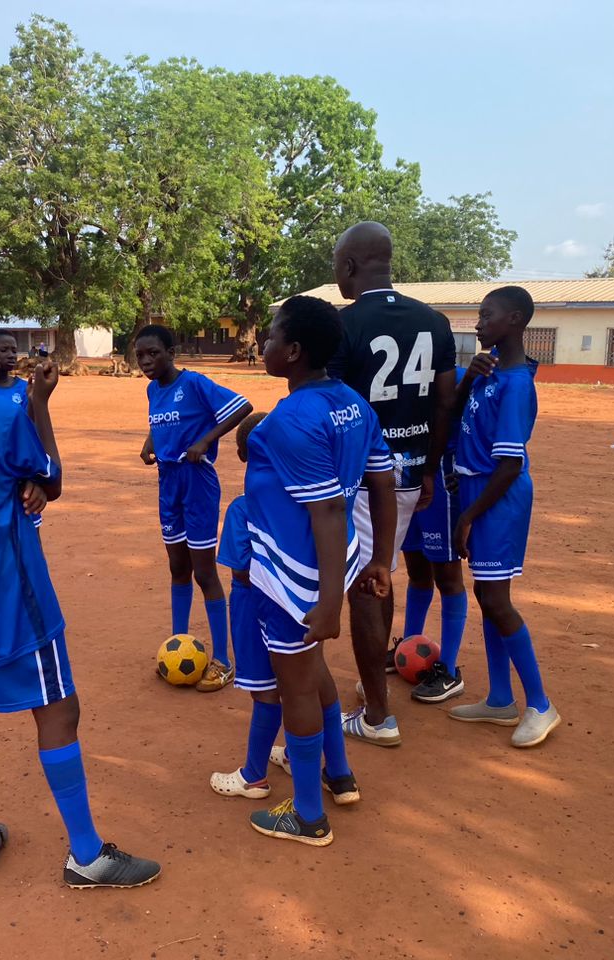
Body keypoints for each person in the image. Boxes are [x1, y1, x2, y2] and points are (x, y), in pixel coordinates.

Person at [0, 296, 160, 887]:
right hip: (13, 591)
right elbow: (53, 479)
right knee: (60, 708)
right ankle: (87, 854)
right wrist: (40, 407)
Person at [243, 296, 395, 847]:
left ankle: (307, 814)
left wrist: (329, 601)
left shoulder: (293, 419)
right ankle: (339, 773)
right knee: (317, 673)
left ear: (295, 350)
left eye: (271, 337)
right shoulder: (353, 402)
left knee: (296, 691)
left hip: (297, 578)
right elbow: (381, 481)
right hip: (335, 561)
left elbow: (327, 509)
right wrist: (378, 559)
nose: (264, 346)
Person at [328, 221, 458, 747]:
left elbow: (330, 403)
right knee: (383, 568)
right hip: (410, 472)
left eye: (337, 265)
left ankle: (379, 717)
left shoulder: (343, 324)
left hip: (363, 478)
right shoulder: (435, 321)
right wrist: (428, 469)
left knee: (364, 581)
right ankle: (372, 680)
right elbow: (446, 400)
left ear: (351, 267)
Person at [449, 286, 561, 747]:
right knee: (487, 594)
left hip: (499, 495)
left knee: (497, 599)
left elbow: (510, 462)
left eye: (486, 315)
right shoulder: (489, 373)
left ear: (514, 320)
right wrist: (465, 381)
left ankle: (540, 703)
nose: (478, 323)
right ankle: (499, 698)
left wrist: (468, 516)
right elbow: (453, 417)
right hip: (478, 488)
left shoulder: (516, 383)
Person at [135, 324, 253, 692]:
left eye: (153, 353)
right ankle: (178, 648)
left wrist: (204, 441)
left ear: (172, 352)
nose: (146, 361)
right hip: (168, 482)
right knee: (177, 566)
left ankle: (223, 660)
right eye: (140, 355)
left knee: (204, 572)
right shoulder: (153, 389)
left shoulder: (196, 384)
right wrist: (149, 441)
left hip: (197, 481)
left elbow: (242, 407)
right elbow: (160, 419)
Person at [208, 411, 287, 800]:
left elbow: (240, 573)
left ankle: (253, 775)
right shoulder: (304, 500)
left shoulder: (243, 508)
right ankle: (311, 759)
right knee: (303, 683)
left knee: (266, 690)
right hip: (300, 604)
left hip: (255, 605)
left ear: (243, 455)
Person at [399, 363, 470, 704]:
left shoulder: (456, 376)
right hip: (408, 475)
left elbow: (473, 421)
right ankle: (410, 644)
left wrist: (464, 466)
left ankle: (449, 669)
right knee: (416, 570)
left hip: (440, 479)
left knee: (447, 574)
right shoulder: (403, 374)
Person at [0, 328, 41, 529]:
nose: (12, 355)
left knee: (28, 527)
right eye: (4, 350)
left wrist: (33, 401)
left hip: (18, 470)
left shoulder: (24, 388)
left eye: (14, 350)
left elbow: (30, 430)